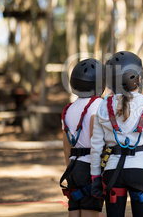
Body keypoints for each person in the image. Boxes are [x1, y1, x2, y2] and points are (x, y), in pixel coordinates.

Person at [90, 51, 143, 217]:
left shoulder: (103, 107)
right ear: (138, 78)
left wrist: (95, 177)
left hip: (112, 173)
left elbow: (96, 148)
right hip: (142, 171)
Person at [60, 58, 105, 217]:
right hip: (90, 167)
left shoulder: (69, 109)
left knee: (74, 209)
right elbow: (97, 142)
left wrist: (69, 168)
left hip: (73, 167)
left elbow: (66, 147)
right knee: (90, 211)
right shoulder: (99, 105)